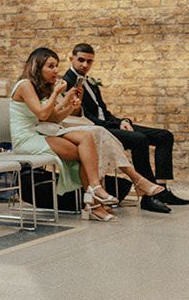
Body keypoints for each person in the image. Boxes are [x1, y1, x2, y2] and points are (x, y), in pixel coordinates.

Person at [10, 48, 173, 220]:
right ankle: (97, 200)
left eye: (56, 66)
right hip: (26, 138)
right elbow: (43, 115)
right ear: (37, 66)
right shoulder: (25, 85)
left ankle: (97, 194)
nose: (56, 71)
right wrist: (57, 93)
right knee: (85, 152)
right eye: (51, 66)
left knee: (87, 139)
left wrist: (70, 104)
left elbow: (54, 118)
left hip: (41, 131)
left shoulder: (40, 87)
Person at [63, 43, 189, 211]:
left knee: (164, 136)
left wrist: (123, 121)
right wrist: (116, 124)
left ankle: (162, 188)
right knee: (139, 139)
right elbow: (89, 118)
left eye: (89, 61)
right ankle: (148, 197)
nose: (85, 65)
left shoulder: (90, 82)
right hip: (96, 130)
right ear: (71, 58)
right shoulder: (67, 83)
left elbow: (103, 112)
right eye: (81, 60)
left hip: (109, 124)